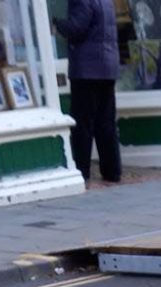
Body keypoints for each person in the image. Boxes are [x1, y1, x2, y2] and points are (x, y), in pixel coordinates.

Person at [54, 0, 123, 184]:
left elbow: (76, 28)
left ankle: (81, 170)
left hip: (87, 70)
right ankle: (112, 170)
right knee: (106, 122)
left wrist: (56, 24)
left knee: (82, 123)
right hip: (107, 67)